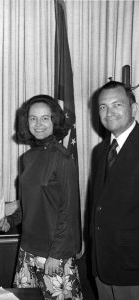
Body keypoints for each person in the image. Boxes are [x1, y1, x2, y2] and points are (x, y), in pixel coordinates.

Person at [0, 95, 82, 300]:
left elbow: (69, 210)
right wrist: (10, 221)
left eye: (45, 118)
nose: (38, 124)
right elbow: (28, 204)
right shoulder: (27, 158)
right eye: (33, 118)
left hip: (54, 253)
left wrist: (56, 254)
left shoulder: (63, 158)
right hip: (27, 249)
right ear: (26, 122)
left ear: (55, 121)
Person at [90, 81, 139, 300]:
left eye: (117, 104)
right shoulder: (100, 151)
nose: (109, 112)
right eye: (102, 107)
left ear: (134, 109)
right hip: (102, 264)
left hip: (133, 266)